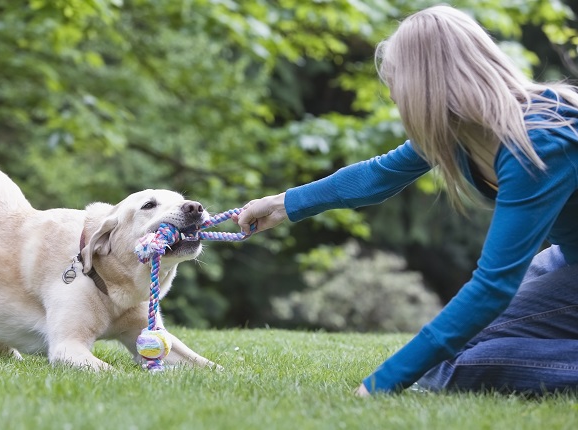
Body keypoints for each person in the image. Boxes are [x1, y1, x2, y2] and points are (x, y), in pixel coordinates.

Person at [234, 4, 578, 396]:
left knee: (455, 367)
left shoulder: (537, 144)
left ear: (425, 84)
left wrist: (381, 383)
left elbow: (493, 286)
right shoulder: (462, 132)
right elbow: (378, 175)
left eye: (396, 81)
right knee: (452, 351)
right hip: (568, 260)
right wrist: (282, 204)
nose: (394, 97)